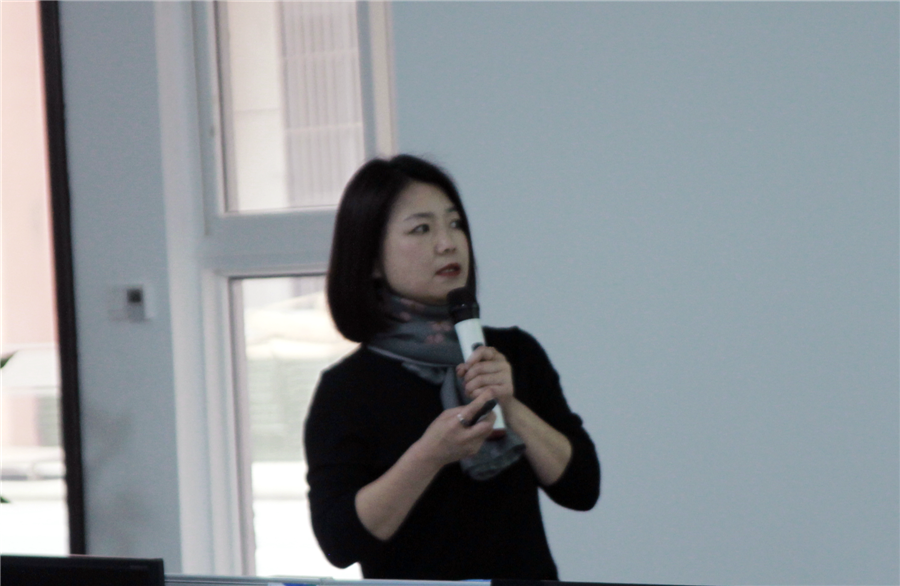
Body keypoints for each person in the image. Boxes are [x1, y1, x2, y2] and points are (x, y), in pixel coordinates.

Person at [304, 154, 600, 580]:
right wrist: (429, 455)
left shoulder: (515, 352)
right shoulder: (347, 389)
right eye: (421, 229)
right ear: (371, 259)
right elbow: (341, 542)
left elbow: (582, 489)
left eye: (455, 223)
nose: (447, 243)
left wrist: (509, 405)